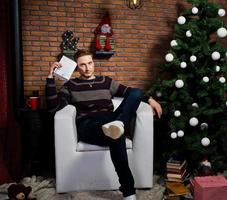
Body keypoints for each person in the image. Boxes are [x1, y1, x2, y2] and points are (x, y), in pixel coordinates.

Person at [45, 49, 162, 200]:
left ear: (93, 63)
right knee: (116, 133)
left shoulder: (106, 82)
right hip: (89, 125)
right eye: (82, 65)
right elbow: (53, 107)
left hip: (110, 119)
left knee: (136, 94)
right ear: (77, 67)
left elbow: (131, 92)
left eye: (90, 63)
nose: (87, 68)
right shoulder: (71, 85)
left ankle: (118, 123)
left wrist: (151, 100)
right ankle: (129, 193)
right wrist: (50, 77)